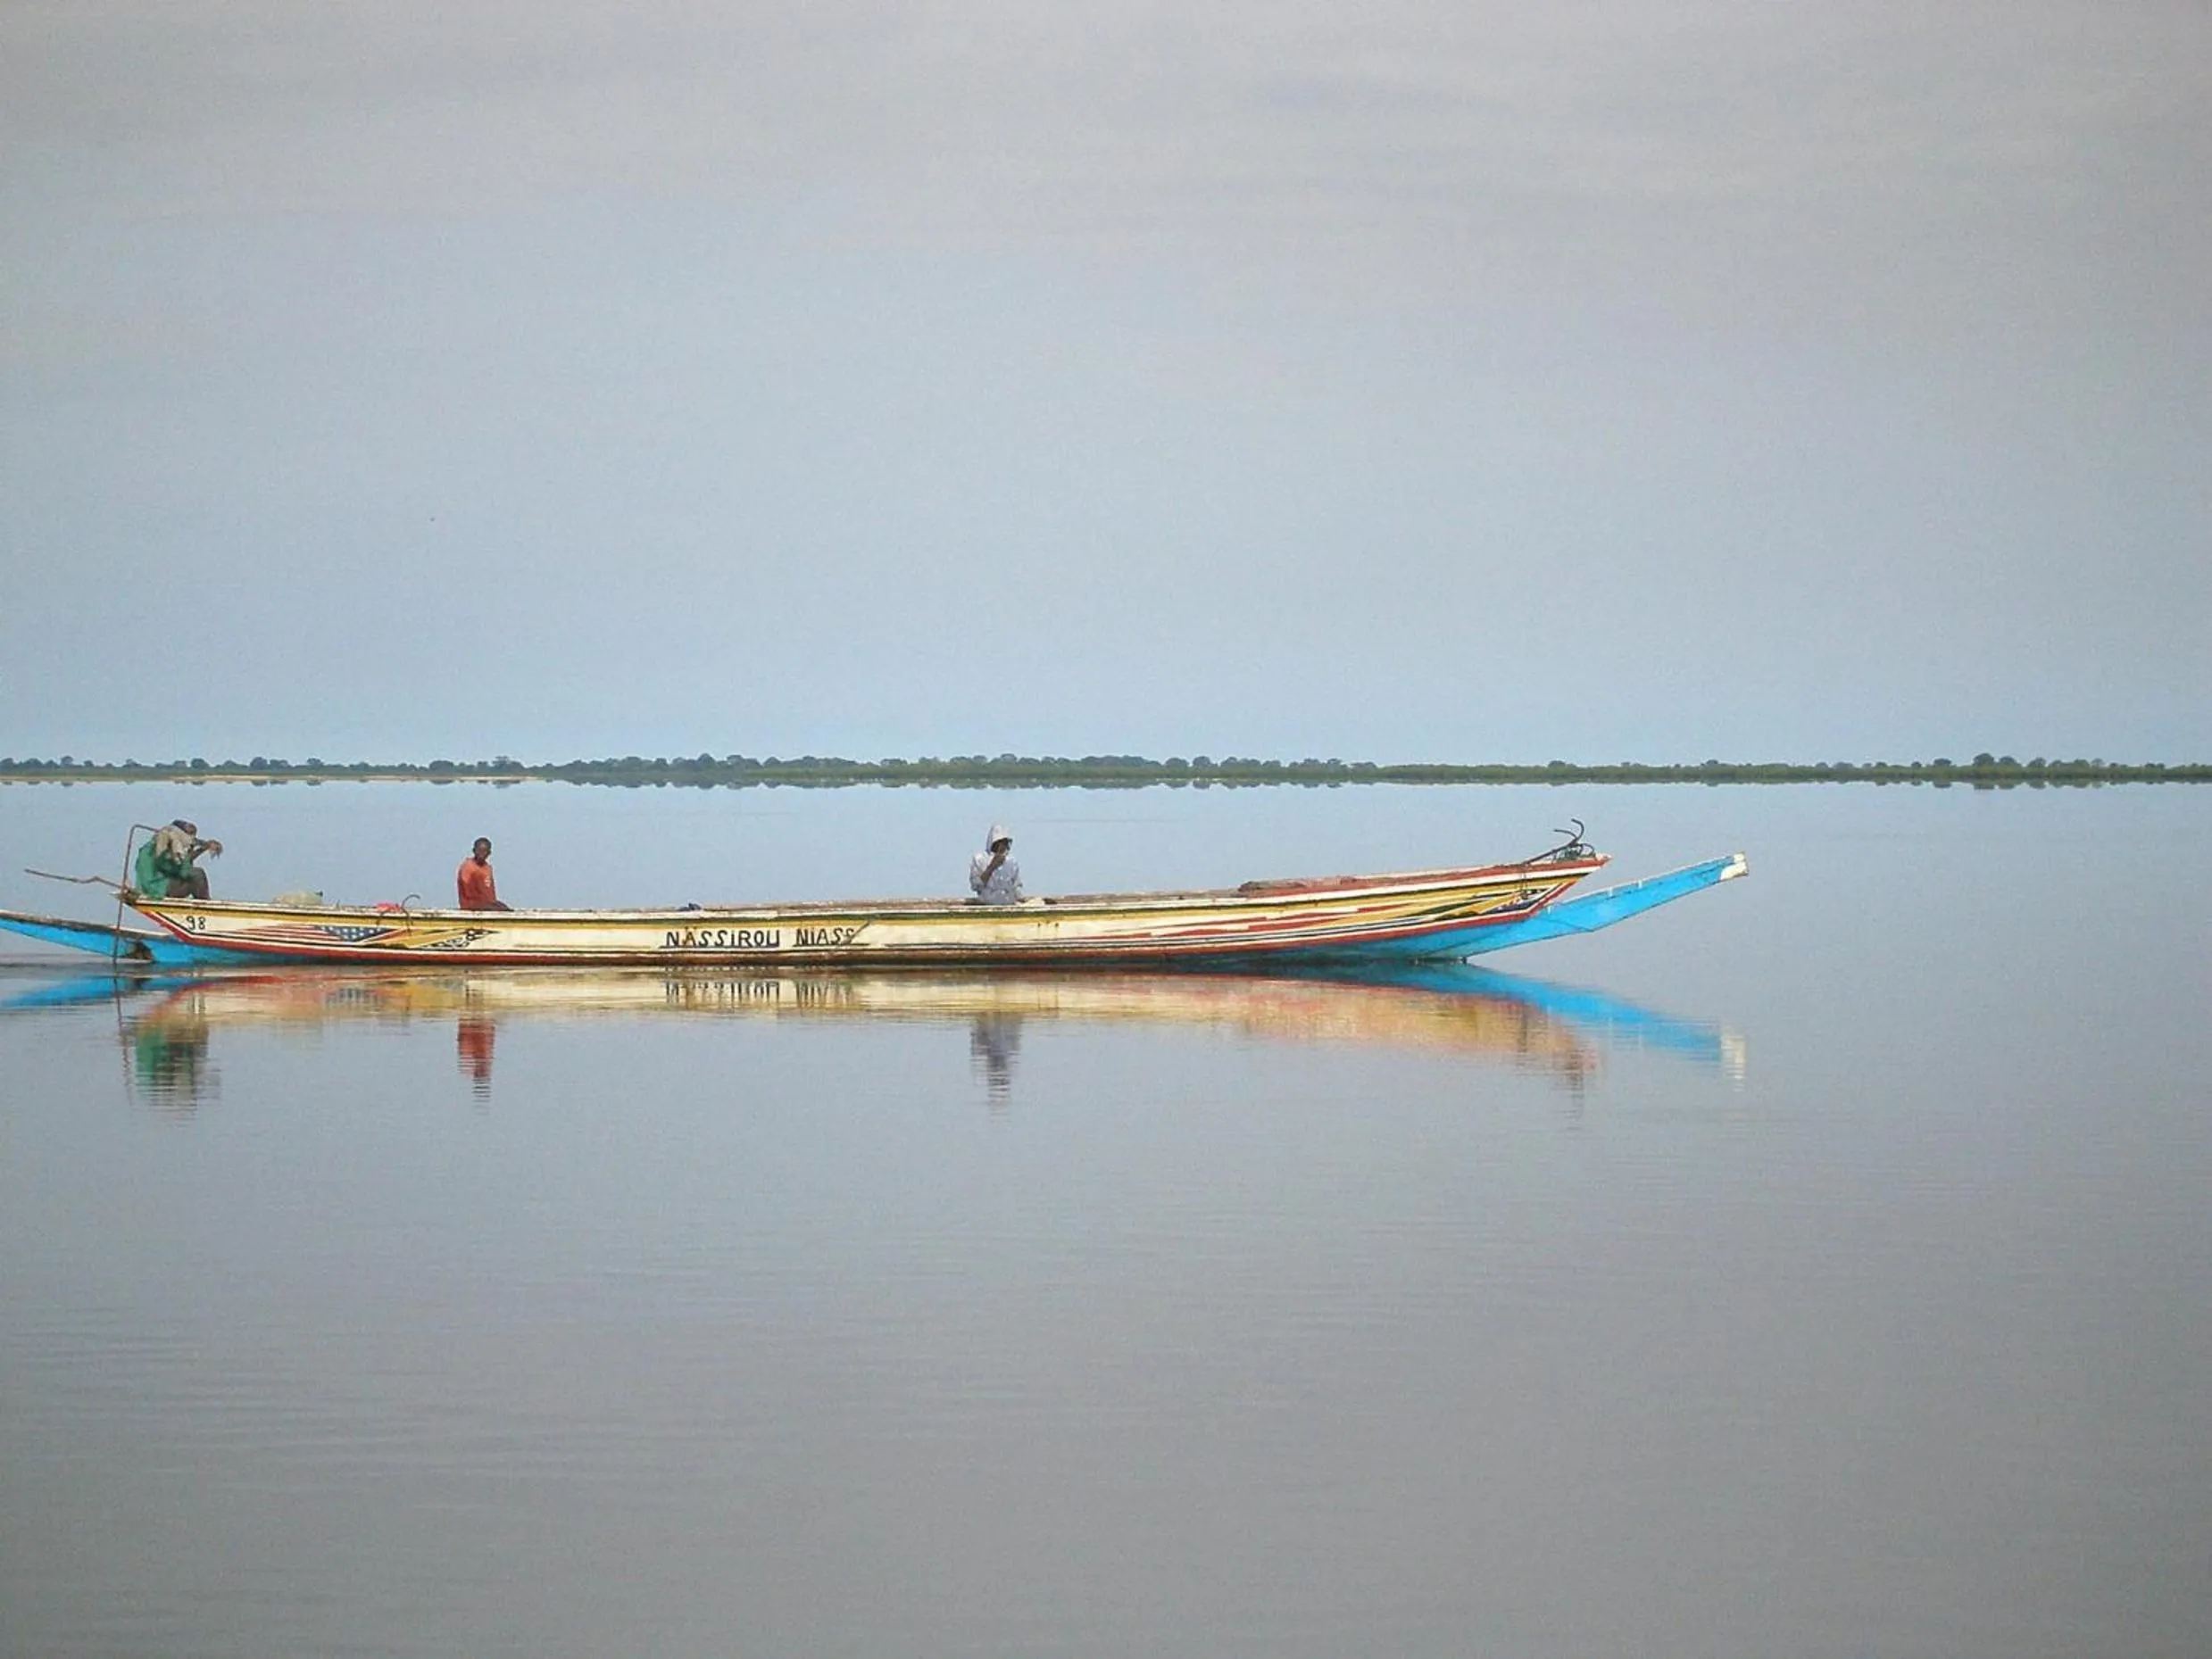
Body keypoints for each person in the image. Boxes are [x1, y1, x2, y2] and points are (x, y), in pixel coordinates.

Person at [134, 819, 222, 900]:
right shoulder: (166, 845)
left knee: (195, 875)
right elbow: (182, 870)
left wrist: (202, 848)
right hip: (158, 887)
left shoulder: (152, 846)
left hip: (155, 885)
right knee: (198, 873)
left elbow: (180, 863)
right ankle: (205, 904)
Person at [969, 825, 1023, 904]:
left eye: (1006, 842)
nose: (1003, 846)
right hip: (986, 904)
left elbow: (1017, 886)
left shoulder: (1011, 861)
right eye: (1000, 842)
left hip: (1008, 905)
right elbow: (976, 885)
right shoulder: (979, 859)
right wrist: (992, 866)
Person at [456, 837, 511, 911]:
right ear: (474, 851)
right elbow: (467, 893)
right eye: (479, 850)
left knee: (505, 909)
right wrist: (486, 905)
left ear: (489, 853)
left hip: (487, 904)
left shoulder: (487, 868)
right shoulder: (468, 867)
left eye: (484, 851)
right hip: (472, 906)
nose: (481, 854)